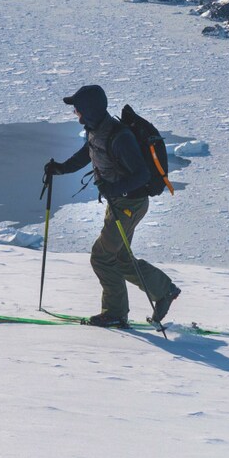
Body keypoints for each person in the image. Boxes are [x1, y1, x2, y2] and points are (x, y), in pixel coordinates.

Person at [44, 84, 179, 328]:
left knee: (102, 257)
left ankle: (115, 313)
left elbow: (142, 175)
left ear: (89, 110)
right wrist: (61, 168)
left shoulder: (120, 138)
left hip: (130, 204)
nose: (75, 112)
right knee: (120, 257)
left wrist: (114, 189)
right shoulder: (97, 130)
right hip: (121, 202)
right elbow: (87, 153)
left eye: (77, 108)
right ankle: (164, 290)